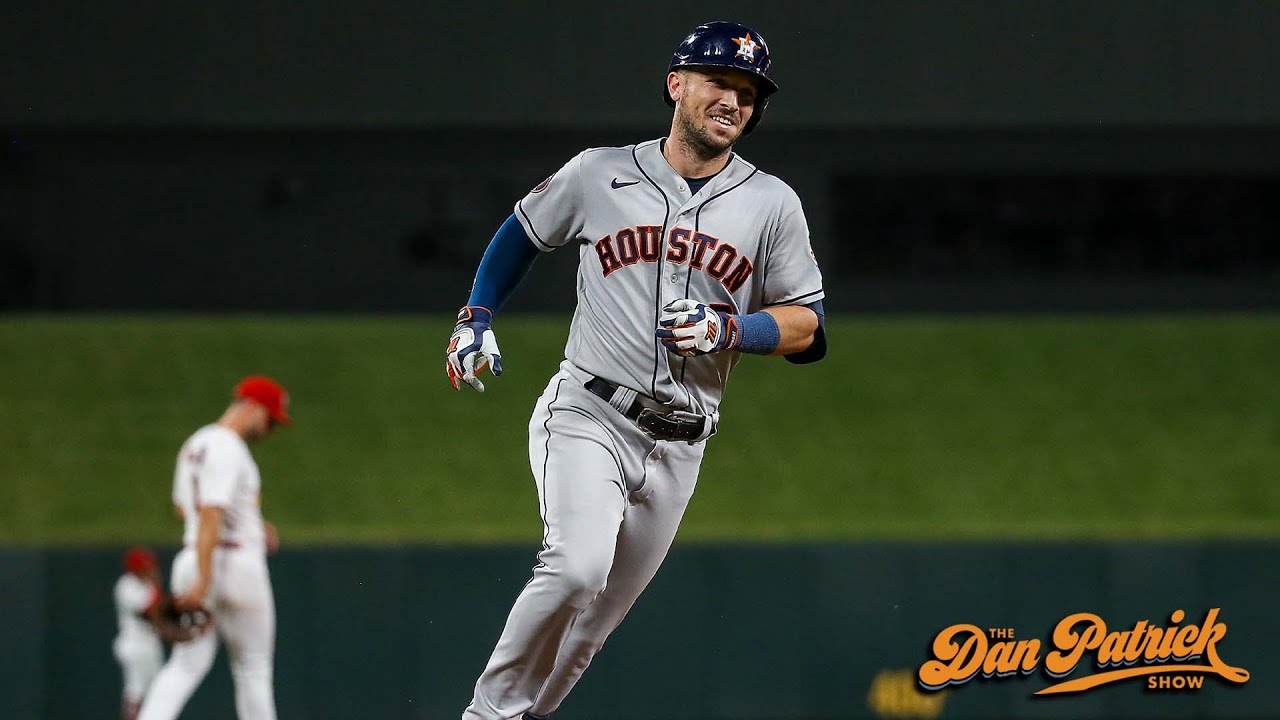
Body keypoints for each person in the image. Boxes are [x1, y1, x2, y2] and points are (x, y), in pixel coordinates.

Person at [445, 21, 826, 720]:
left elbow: (807, 326)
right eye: (719, 82)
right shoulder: (599, 172)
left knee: (589, 633)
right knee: (575, 570)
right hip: (591, 410)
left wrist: (731, 327)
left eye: (748, 92)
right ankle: (485, 715)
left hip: (683, 443)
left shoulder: (773, 203)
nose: (733, 101)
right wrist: (476, 315)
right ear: (676, 84)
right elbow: (521, 233)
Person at [137, 376, 289, 720]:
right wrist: (205, 579)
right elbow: (210, 512)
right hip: (232, 564)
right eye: (270, 418)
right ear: (252, 407)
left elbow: (184, 506)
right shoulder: (228, 447)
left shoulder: (197, 443)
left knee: (186, 664)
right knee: (253, 667)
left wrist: (252, 523)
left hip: (192, 556)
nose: (269, 429)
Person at [113, 547, 165, 720]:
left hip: (150, 643)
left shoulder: (148, 584)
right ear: (134, 568)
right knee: (135, 690)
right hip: (133, 644)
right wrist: (157, 585)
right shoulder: (126, 585)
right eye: (145, 565)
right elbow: (148, 612)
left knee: (156, 690)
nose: (150, 568)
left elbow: (160, 613)